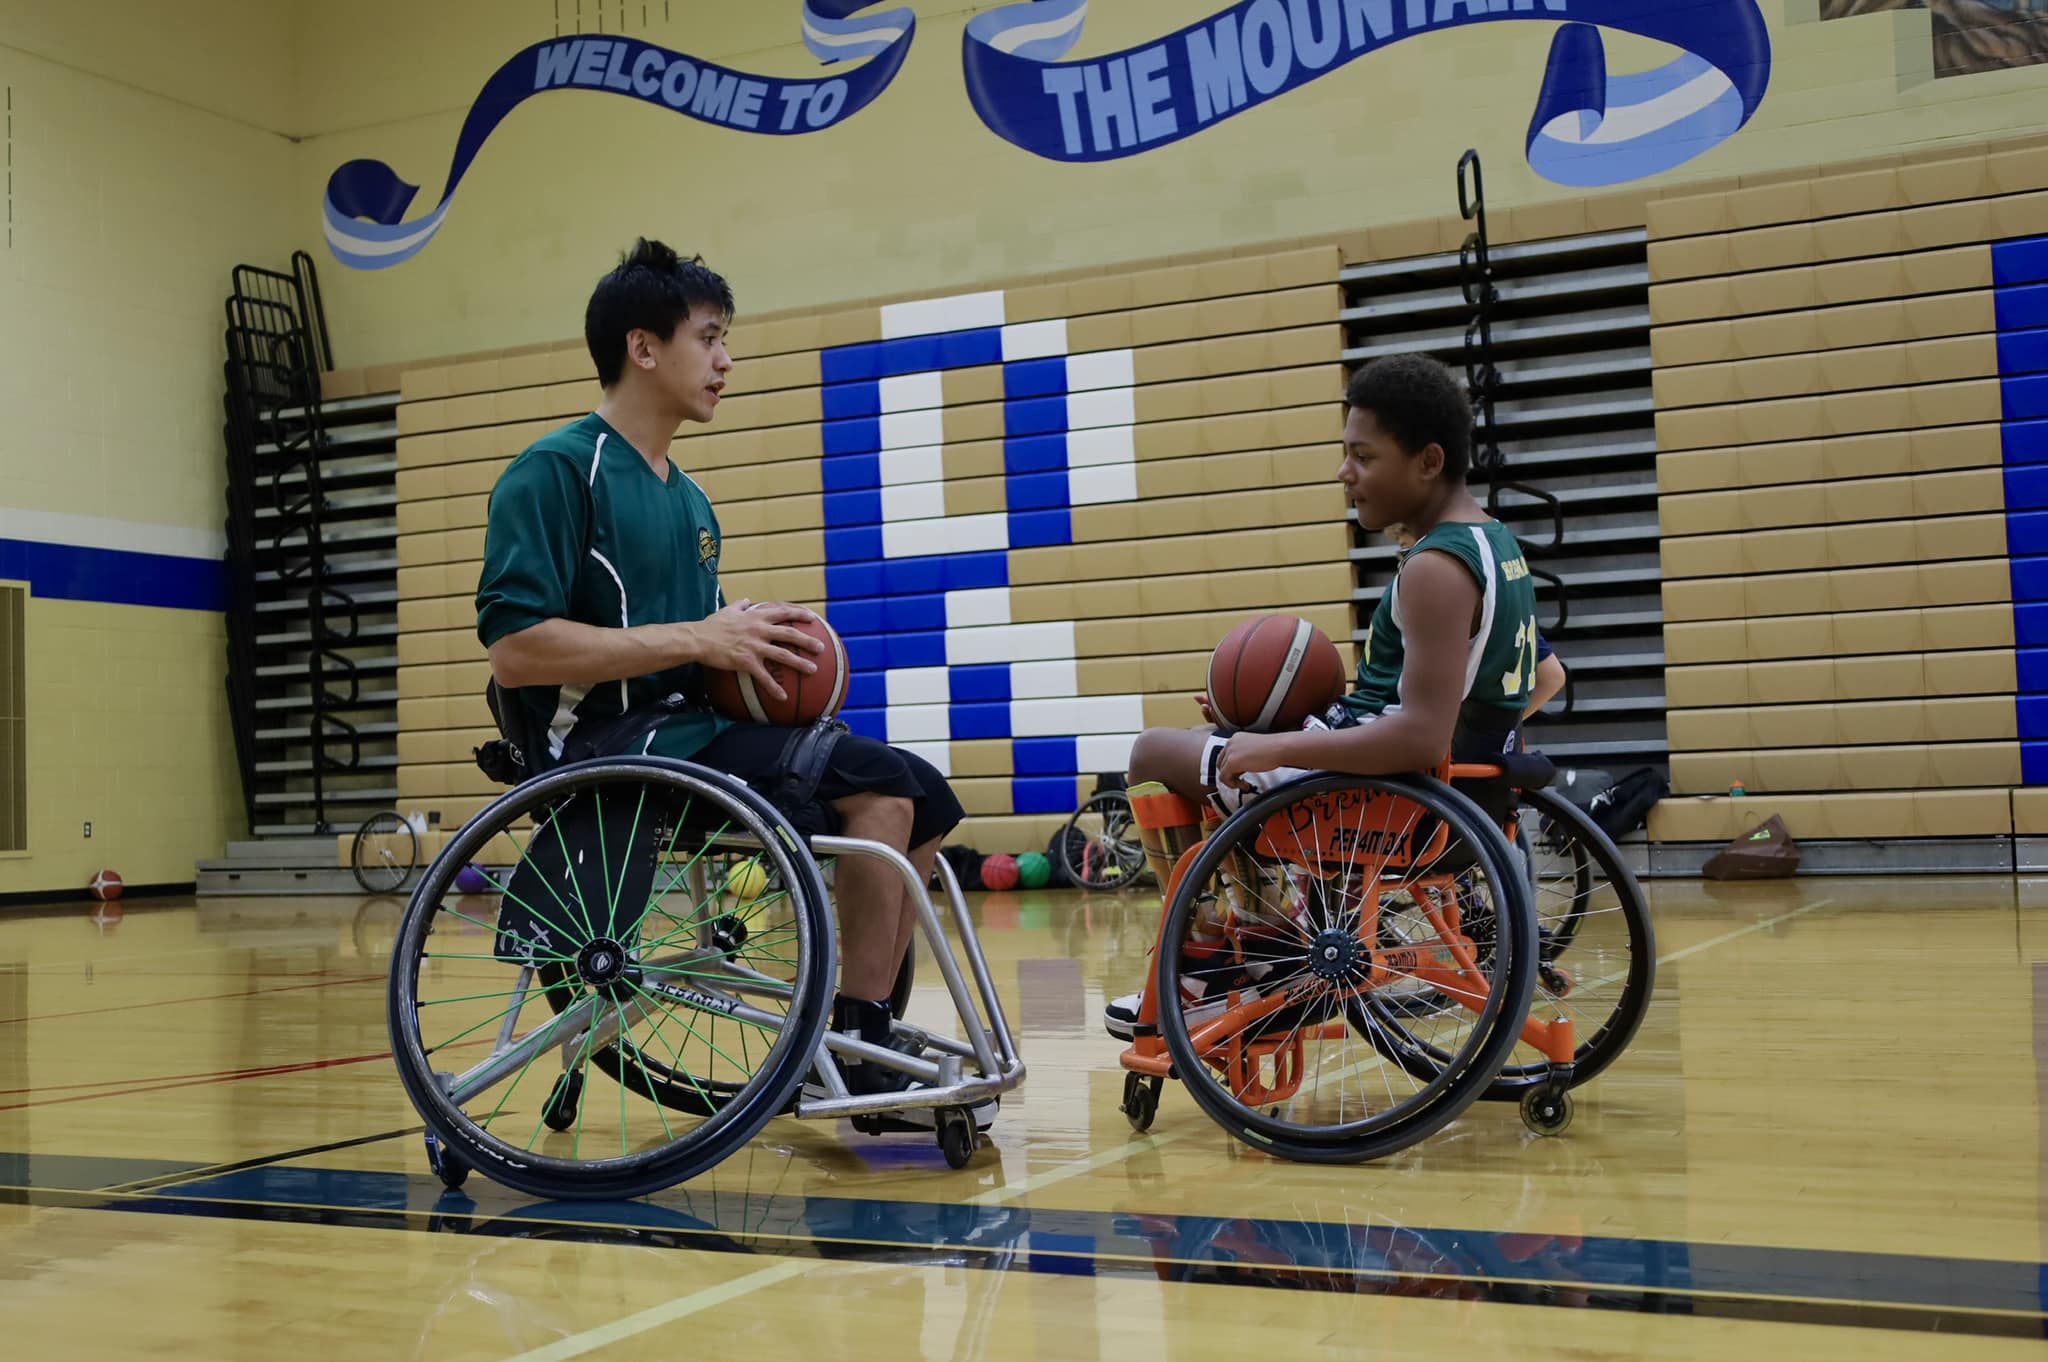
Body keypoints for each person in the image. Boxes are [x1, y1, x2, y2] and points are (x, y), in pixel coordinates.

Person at [475, 238, 972, 1112]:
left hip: (686, 728)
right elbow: (518, 648)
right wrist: (701, 637)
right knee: (884, 788)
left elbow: (694, 648)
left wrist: (761, 647)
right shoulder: (555, 471)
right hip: (606, 740)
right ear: (644, 347)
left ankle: (861, 1020)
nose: (725, 360)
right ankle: (855, 1042)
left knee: (924, 795)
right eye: (709, 338)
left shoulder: (692, 500)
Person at [1104, 353, 1541, 1040]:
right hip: (1448, 796)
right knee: (1221, 743)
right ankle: (1265, 940)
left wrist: (1274, 745)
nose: (1345, 473)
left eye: (1363, 456)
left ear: (1428, 461)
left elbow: (1420, 735)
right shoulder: (1498, 546)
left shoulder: (1435, 569)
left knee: (1154, 755)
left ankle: (1219, 961)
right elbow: (1543, 678)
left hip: (1382, 801)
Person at [1381, 522, 1567, 723]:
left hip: (1463, 745)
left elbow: (1552, 676)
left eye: (1407, 551)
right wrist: (1503, 730)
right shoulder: (1495, 604)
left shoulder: (1448, 608)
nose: (1405, 565)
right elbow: (1552, 675)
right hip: (1495, 740)